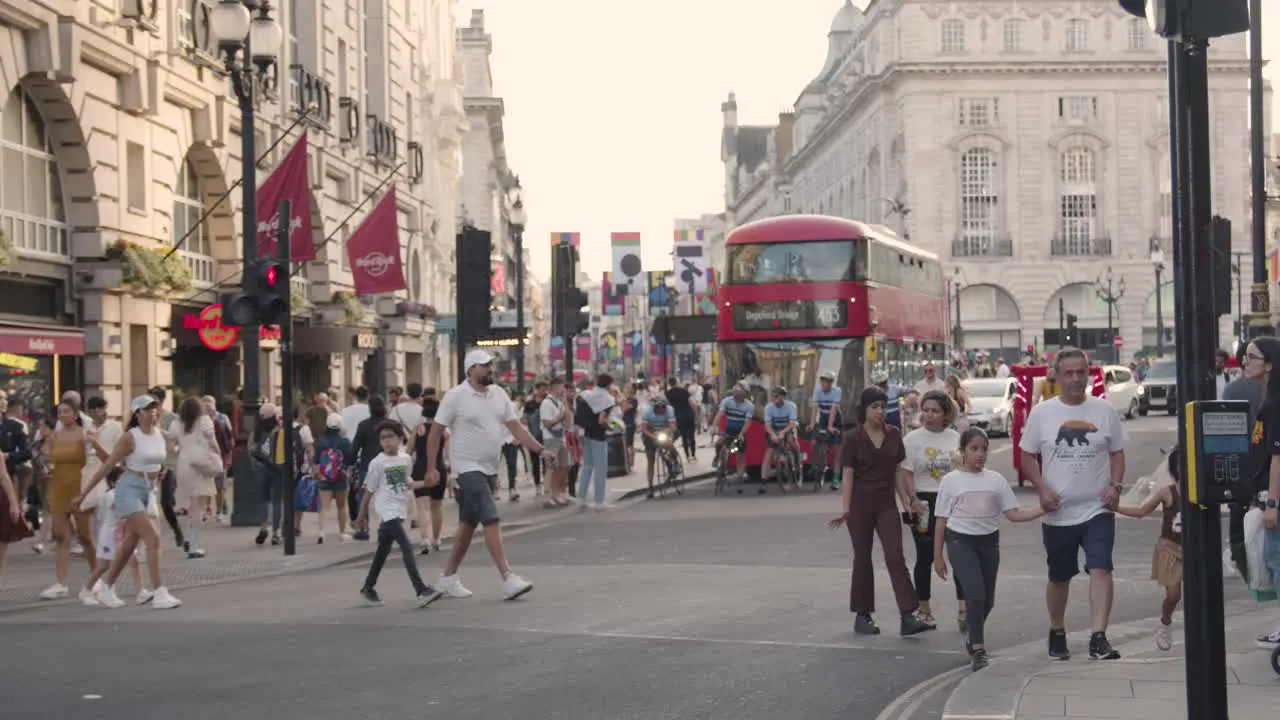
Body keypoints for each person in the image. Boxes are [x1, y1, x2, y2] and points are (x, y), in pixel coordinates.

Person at [1018, 347, 1127, 661]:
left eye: (1082, 372)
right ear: (1056, 376)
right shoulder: (1043, 414)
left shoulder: (1104, 411)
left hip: (1097, 508)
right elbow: (1027, 455)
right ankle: (1056, 628)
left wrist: (1115, 486)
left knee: (1101, 566)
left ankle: (1098, 637)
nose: (1076, 379)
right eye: (1069, 373)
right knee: (1059, 577)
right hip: (1058, 512)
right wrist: (1041, 488)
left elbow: (1117, 452)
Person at [426, 350, 550, 600]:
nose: (490, 370)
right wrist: (431, 468)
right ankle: (507, 577)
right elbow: (435, 432)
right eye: (484, 366)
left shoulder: (499, 394)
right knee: (490, 515)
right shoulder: (456, 396)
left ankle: (448, 577)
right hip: (467, 468)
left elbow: (515, 427)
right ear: (470, 370)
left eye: (491, 366)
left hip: (490, 468)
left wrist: (540, 449)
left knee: (469, 523)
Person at [933, 427, 1046, 671]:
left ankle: (973, 635)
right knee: (974, 593)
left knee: (988, 600)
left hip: (988, 542)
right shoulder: (951, 481)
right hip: (960, 541)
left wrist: (1043, 509)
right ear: (962, 451)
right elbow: (941, 519)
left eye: (984, 449)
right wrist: (937, 557)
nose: (980, 454)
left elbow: (1014, 514)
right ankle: (978, 649)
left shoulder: (995, 480)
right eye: (974, 449)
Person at [829, 386, 934, 637]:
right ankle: (863, 615)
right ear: (864, 410)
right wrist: (845, 510)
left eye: (883, 407)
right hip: (860, 505)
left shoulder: (894, 434)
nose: (879, 411)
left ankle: (908, 615)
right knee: (862, 559)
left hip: (886, 503)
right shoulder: (853, 437)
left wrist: (907, 500)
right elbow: (848, 474)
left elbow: (898, 471)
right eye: (874, 407)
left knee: (895, 556)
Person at [74, 394, 182, 609]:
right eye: (147, 409)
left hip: (148, 490)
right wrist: (83, 494)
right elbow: (108, 465)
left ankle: (107, 587)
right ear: (137, 414)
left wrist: (162, 472)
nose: (153, 412)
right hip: (128, 490)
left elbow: (164, 458)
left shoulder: (160, 434)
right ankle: (160, 592)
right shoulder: (130, 437)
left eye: (154, 408)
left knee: (128, 545)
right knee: (153, 538)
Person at [355, 420, 443, 607]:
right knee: (406, 547)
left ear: (400, 438)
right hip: (387, 512)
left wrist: (427, 484)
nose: (386, 441)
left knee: (382, 552)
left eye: (390, 437)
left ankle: (368, 587)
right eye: (382, 438)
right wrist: (360, 517)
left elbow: (407, 484)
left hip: (400, 510)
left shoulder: (405, 460)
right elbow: (368, 491)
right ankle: (420, 589)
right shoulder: (377, 463)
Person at [899, 390, 963, 628]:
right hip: (924, 502)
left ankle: (964, 608)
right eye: (925, 410)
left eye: (934, 411)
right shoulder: (912, 440)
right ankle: (924, 609)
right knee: (924, 557)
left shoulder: (955, 438)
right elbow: (905, 473)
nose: (928, 415)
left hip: (953, 501)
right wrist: (911, 500)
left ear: (945, 414)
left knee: (959, 555)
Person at [1115, 448, 1183, 652]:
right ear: (1175, 468)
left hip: (1196, 548)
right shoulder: (1167, 491)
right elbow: (1141, 511)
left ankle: (1199, 630)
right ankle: (1165, 622)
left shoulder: (1203, 491)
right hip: (1170, 547)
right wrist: (1115, 507)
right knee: (1174, 594)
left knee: (1202, 594)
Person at [39, 401, 108, 602]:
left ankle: (96, 578)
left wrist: (94, 443)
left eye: (66, 411)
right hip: (58, 487)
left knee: (85, 536)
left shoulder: (84, 434)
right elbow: (48, 460)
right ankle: (61, 583)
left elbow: (101, 459)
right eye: (60, 412)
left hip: (79, 488)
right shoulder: (55, 436)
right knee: (60, 536)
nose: (62, 415)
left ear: (76, 413)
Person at [1238, 337, 1280, 651]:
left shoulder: (1275, 403)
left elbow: (1278, 456)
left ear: (1269, 363)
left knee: (1277, 563)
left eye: (1251, 357)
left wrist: (1272, 503)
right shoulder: (1269, 398)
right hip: (1266, 493)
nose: (1244, 362)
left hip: (1274, 497)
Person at [83, 469, 149, 605]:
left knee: (133, 562)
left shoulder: (125, 494)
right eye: (120, 480)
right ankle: (88, 591)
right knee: (104, 566)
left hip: (123, 534)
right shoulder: (111, 495)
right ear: (112, 482)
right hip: (110, 535)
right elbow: (123, 512)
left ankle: (140, 591)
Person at [575, 374, 617, 510]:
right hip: (599, 437)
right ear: (609, 384)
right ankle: (599, 502)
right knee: (600, 470)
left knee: (587, 467)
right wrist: (610, 427)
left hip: (586, 434)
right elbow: (601, 420)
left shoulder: (587, 394)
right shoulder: (607, 399)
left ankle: (581, 499)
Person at [314, 413, 354, 544]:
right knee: (341, 506)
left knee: (324, 506)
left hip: (325, 476)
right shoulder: (344, 442)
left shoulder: (320, 441)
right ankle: (342, 533)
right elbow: (349, 460)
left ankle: (321, 531)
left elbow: (316, 460)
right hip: (341, 476)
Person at [711, 383, 754, 489]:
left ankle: (740, 477)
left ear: (745, 394)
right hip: (728, 430)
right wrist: (715, 426)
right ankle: (718, 457)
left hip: (740, 431)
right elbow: (720, 414)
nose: (736, 395)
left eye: (738, 393)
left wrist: (741, 434)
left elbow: (747, 422)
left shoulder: (749, 406)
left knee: (739, 454)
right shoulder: (727, 401)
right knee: (719, 443)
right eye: (734, 392)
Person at [539, 378, 574, 508]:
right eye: (561, 387)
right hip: (551, 438)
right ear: (554, 387)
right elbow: (547, 423)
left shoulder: (560, 402)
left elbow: (569, 421)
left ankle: (557, 493)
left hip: (561, 438)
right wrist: (559, 416)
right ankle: (548, 496)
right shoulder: (547, 403)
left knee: (564, 466)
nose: (563, 390)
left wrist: (565, 404)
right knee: (552, 467)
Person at [762, 386, 799, 490]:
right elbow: (767, 425)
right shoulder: (769, 407)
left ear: (783, 397)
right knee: (769, 451)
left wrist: (783, 432)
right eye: (772, 397)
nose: (774, 399)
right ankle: (764, 480)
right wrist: (773, 435)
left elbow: (792, 423)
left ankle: (797, 460)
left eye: (776, 397)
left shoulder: (791, 406)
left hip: (788, 428)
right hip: (774, 430)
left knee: (791, 441)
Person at [639, 395, 677, 497]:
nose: (662, 410)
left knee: (669, 444)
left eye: (663, 407)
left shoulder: (670, 410)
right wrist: (652, 436)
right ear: (654, 408)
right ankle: (650, 487)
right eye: (659, 408)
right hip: (650, 434)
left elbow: (672, 426)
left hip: (664, 430)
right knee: (650, 460)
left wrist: (665, 432)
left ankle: (674, 462)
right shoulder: (647, 412)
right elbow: (644, 429)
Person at [811, 371, 843, 489]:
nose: (824, 384)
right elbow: (815, 410)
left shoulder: (837, 391)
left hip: (836, 420)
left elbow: (834, 410)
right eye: (823, 381)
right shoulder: (817, 391)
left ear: (831, 383)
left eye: (827, 382)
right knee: (814, 442)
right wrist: (812, 424)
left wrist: (830, 427)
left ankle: (835, 480)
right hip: (823, 419)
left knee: (837, 451)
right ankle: (815, 465)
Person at [666, 378, 697, 461]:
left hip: (678, 416)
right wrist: (695, 413)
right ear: (676, 382)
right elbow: (691, 403)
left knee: (683, 436)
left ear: (669, 383)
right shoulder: (684, 391)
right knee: (691, 436)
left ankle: (687, 456)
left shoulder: (668, 394)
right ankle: (693, 455)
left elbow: (668, 406)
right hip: (688, 415)